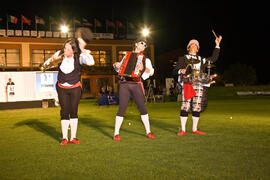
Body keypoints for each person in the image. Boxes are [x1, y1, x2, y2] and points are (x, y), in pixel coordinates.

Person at [42, 28, 95, 146]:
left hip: (75, 88)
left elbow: (91, 62)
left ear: (73, 50)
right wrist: (52, 60)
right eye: (64, 48)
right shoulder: (59, 54)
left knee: (74, 111)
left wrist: (82, 49)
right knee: (64, 111)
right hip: (61, 88)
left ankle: (73, 137)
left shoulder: (79, 56)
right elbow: (44, 65)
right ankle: (65, 138)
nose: (64, 50)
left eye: (67, 48)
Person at [174, 35, 222, 136]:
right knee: (185, 106)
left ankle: (194, 129)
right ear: (188, 47)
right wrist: (180, 70)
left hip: (199, 83)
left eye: (196, 45)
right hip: (187, 83)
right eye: (192, 44)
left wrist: (217, 45)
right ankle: (183, 129)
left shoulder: (201, 59)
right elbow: (175, 70)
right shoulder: (183, 58)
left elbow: (213, 58)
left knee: (197, 106)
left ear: (198, 48)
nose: (194, 46)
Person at [112, 39, 155, 141]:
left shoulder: (146, 59)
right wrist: (116, 65)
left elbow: (151, 72)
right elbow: (119, 70)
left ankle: (148, 132)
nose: (143, 46)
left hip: (136, 84)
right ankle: (116, 134)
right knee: (122, 108)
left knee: (142, 107)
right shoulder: (126, 56)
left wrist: (144, 68)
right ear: (136, 44)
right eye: (141, 43)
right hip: (124, 84)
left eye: (144, 45)